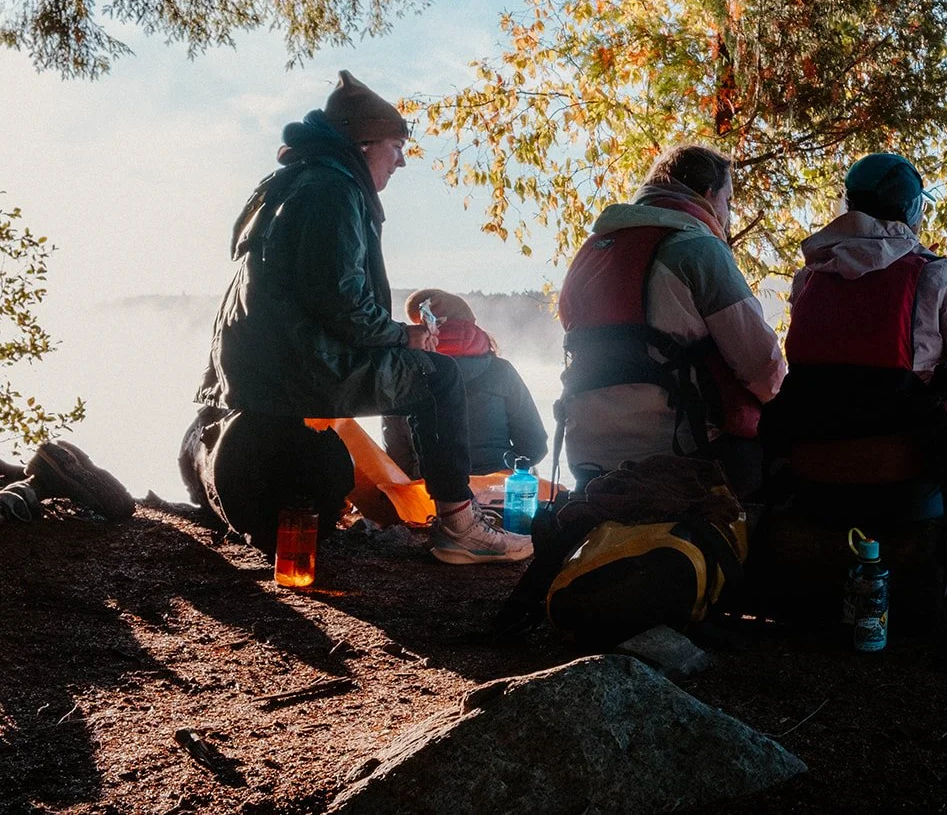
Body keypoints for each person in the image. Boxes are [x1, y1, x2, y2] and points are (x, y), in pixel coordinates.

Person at [194, 71, 531, 565]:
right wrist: (405, 336)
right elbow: (340, 301)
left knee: (420, 370)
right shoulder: (332, 189)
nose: (401, 159)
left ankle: (454, 514)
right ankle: (460, 525)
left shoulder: (296, 182)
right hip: (299, 366)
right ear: (365, 142)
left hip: (264, 367)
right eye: (396, 146)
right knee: (437, 376)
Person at [763, 153, 947, 510]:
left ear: (847, 206)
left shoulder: (809, 278)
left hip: (811, 477)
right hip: (906, 481)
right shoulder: (937, 275)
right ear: (912, 210)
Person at [556, 144, 785, 498]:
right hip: (684, 452)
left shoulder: (590, 253)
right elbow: (763, 368)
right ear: (709, 195)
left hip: (587, 457)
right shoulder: (698, 250)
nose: (727, 213)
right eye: (728, 200)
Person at [382, 289, 548, 477]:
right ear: (470, 324)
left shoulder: (403, 375)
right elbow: (535, 446)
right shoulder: (501, 370)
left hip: (430, 493)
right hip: (499, 489)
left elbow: (397, 458)